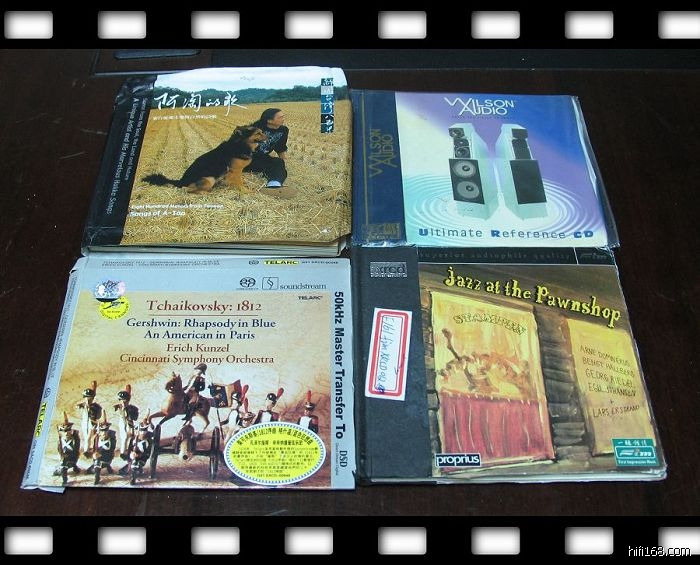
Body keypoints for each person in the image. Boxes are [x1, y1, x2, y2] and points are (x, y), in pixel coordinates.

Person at [245, 108, 289, 189]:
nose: (283, 119)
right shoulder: (254, 129)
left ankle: (274, 186)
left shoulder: (283, 130)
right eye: (280, 117)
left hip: (260, 159)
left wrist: (283, 163)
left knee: (278, 163)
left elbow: (281, 147)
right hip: (244, 158)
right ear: (269, 120)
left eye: (283, 116)